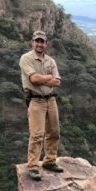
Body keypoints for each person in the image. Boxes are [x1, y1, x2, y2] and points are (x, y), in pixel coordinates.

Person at [19, 30, 63, 181]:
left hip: (51, 99)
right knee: (37, 134)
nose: (39, 44)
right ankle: (32, 166)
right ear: (32, 42)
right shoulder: (26, 58)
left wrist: (45, 79)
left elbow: (58, 82)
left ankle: (50, 161)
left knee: (54, 131)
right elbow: (34, 79)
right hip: (36, 100)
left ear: (46, 44)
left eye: (42, 41)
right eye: (37, 41)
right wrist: (49, 77)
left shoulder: (51, 61)